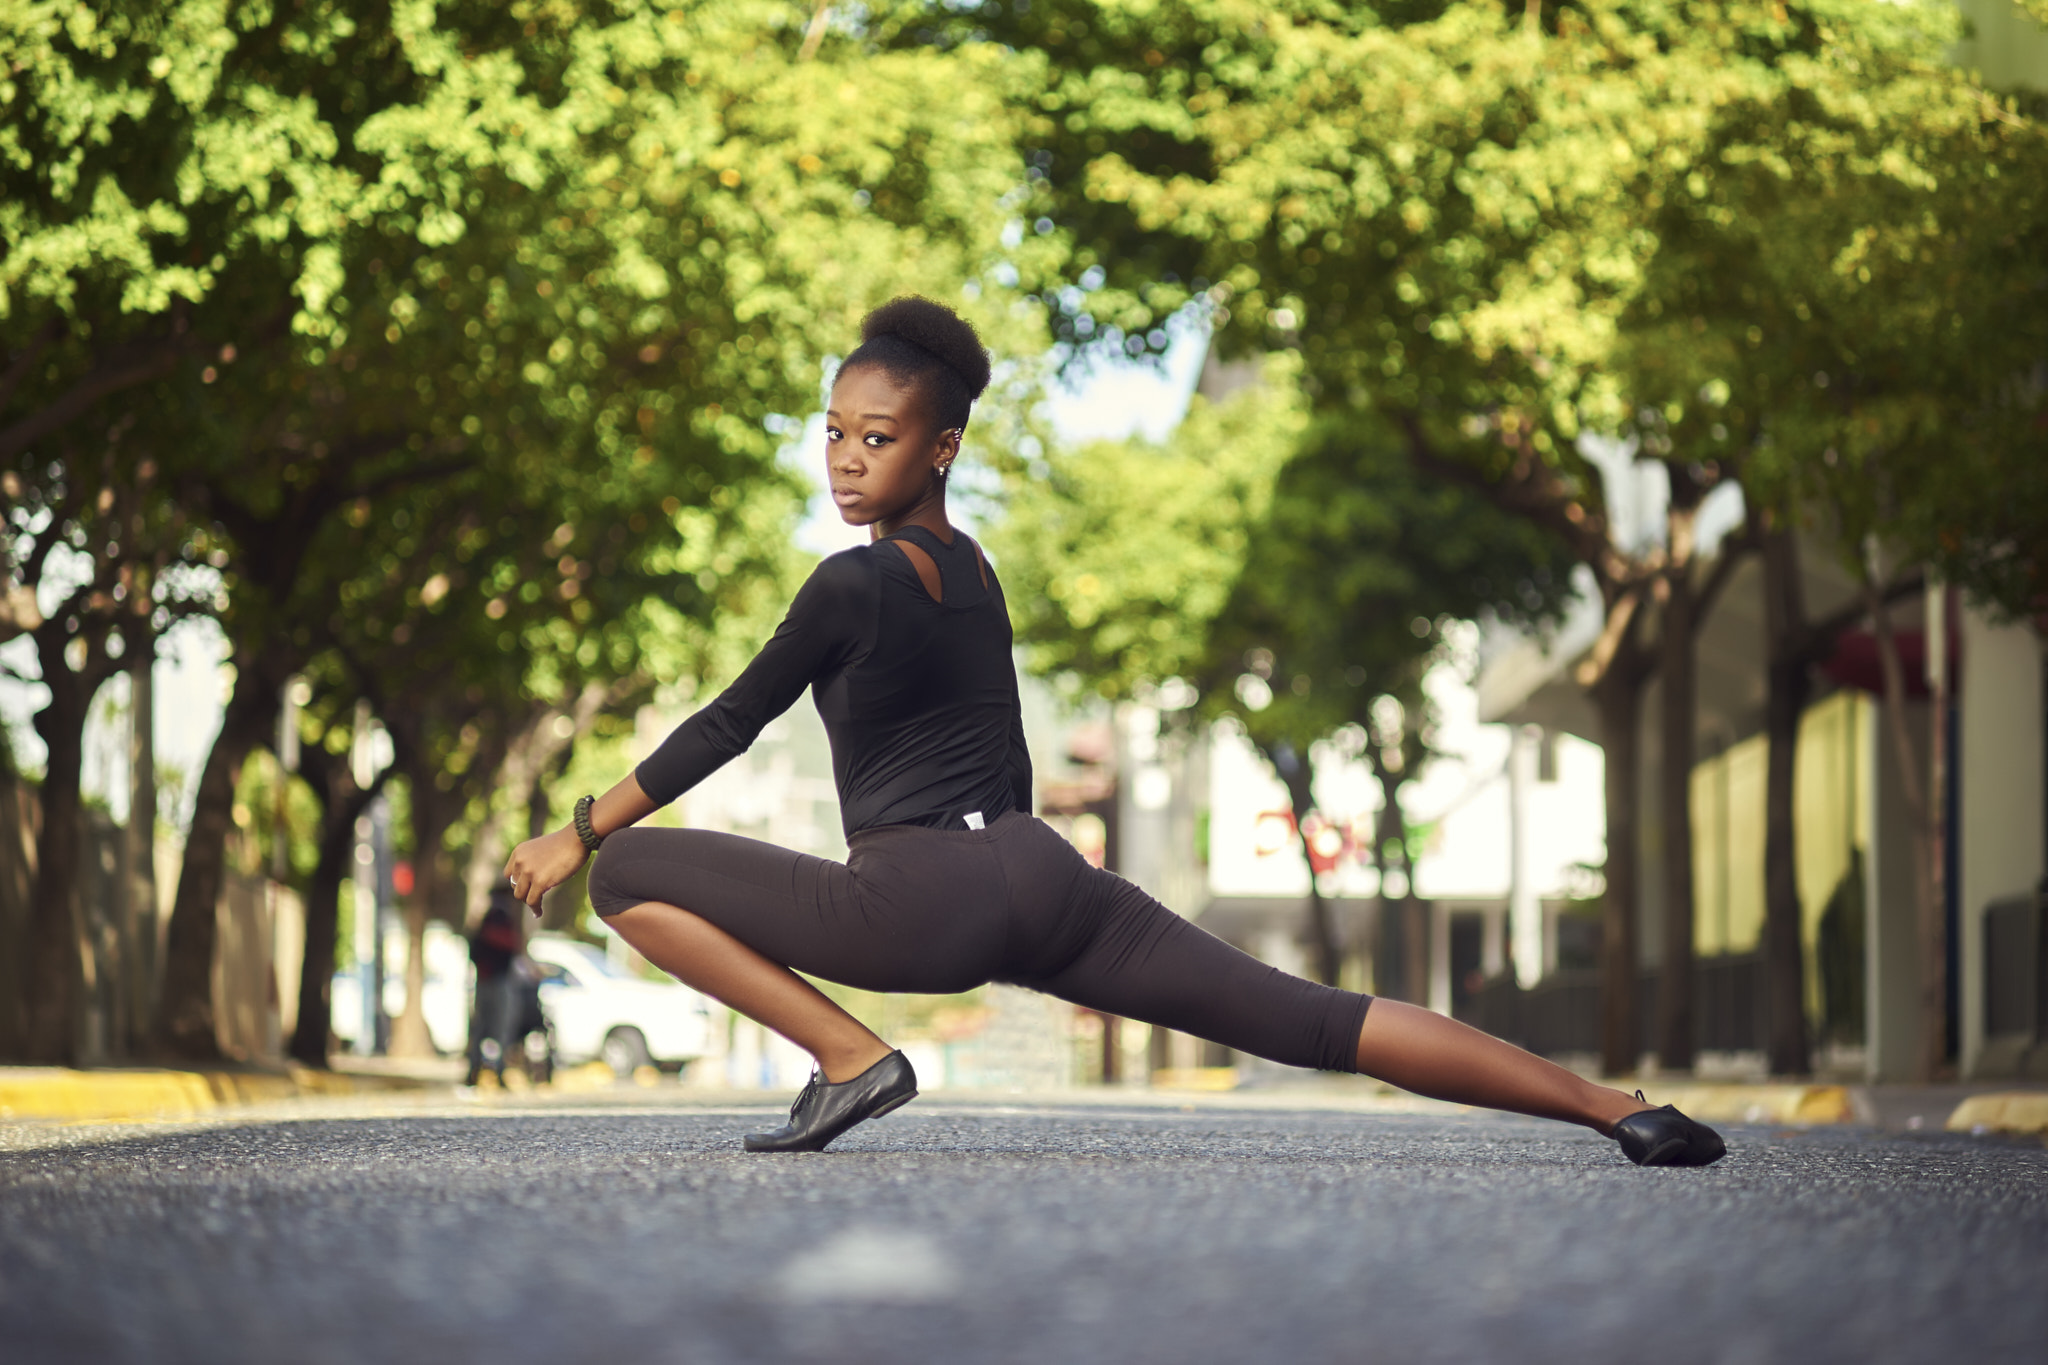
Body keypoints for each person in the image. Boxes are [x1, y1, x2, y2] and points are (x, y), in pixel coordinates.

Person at [504, 297, 1725, 1166]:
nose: (845, 459)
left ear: (942, 447)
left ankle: (847, 1058)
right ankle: (1610, 1108)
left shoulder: (844, 585)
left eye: (876, 439)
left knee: (637, 871)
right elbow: (1005, 747)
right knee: (1311, 1019)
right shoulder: (973, 573)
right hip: (1046, 877)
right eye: (833, 431)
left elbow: (728, 722)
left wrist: (574, 831)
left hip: (921, 895)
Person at [463, 895, 522, 1088]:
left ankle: (476, 1070)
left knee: (481, 1027)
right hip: (496, 980)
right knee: (499, 1028)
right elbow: (512, 949)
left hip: (485, 979)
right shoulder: (500, 921)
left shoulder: (486, 923)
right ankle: (496, 1070)